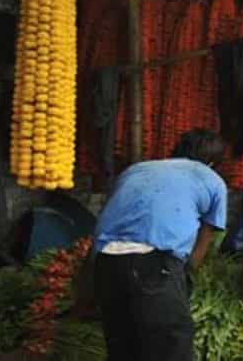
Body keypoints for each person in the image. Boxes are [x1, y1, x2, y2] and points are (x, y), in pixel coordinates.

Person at [92, 129, 227, 361]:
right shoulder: (212, 180)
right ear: (213, 163)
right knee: (172, 348)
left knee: (124, 350)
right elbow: (200, 249)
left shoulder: (136, 169)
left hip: (106, 263)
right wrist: (185, 279)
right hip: (153, 265)